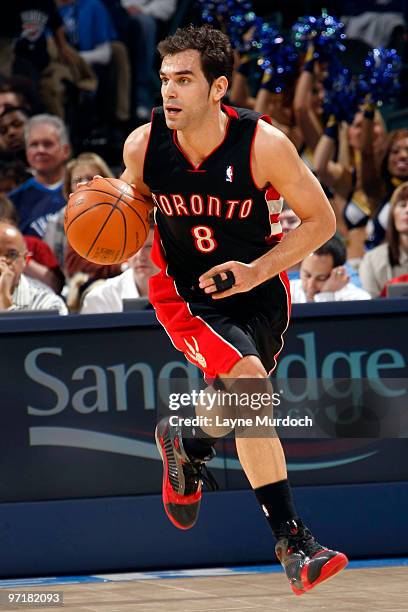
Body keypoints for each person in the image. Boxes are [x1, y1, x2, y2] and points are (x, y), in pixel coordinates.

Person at [116, 24, 348, 595]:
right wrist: (108, 223)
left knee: (233, 404)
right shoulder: (142, 147)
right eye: (165, 79)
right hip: (187, 295)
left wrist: (256, 272)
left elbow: (322, 222)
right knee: (251, 390)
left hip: (259, 289)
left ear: (218, 86)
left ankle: (187, 441)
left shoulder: (264, 145)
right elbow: (124, 217)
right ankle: (295, 543)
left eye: (184, 80)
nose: (169, 92)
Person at [8, 114, 70, 239]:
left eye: (48, 144)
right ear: (26, 151)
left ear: (65, 150)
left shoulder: (82, 190)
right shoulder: (14, 201)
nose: (40, 150)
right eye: (34, 145)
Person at [80, 226, 158, 313]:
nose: (140, 256)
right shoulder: (101, 298)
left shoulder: (176, 290)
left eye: (149, 247)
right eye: (135, 246)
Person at [0, 220, 67, 313]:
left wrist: (5, 299)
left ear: (25, 259)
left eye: (11, 254)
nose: (1, 261)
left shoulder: (47, 303)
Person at [360, 181, 408, 297]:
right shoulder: (372, 260)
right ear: (392, 214)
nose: (407, 210)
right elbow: (369, 308)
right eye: (402, 205)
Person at [290, 236, 371, 302]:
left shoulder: (357, 299)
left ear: (338, 272)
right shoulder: (288, 292)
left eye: (321, 278)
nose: (310, 285)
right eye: (307, 275)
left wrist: (327, 294)